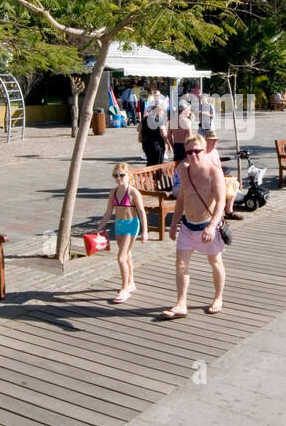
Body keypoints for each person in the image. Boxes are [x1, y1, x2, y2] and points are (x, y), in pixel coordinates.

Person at [161, 135, 226, 318]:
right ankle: (181, 303)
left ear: (204, 150)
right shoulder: (183, 169)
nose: (193, 155)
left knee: (215, 262)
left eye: (197, 151)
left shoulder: (214, 172)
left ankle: (218, 297)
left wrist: (212, 226)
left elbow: (221, 203)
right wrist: (174, 224)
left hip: (207, 225)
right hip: (188, 226)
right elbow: (181, 198)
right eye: (189, 152)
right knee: (181, 265)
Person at [96, 162, 148, 303]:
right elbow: (108, 212)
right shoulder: (113, 192)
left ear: (128, 176)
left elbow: (142, 212)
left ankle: (124, 288)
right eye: (116, 175)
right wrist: (100, 227)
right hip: (119, 224)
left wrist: (145, 232)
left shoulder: (133, 192)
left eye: (122, 175)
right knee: (127, 255)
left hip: (131, 224)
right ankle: (131, 282)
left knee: (121, 257)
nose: (119, 178)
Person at [203, 131, 243, 221]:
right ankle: (217, 216)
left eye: (216, 141)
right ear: (206, 141)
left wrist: (221, 177)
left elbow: (219, 167)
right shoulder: (203, 154)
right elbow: (204, 171)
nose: (215, 143)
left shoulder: (215, 152)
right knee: (221, 189)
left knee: (234, 183)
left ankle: (229, 211)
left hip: (217, 178)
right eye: (212, 141)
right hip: (207, 180)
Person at [140, 100, 167, 167]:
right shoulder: (159, 120)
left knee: (150, 162)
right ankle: (157, 177)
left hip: (146, 144)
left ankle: (149, 176)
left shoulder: (145, 119)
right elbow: (163, 134)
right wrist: (168, 144)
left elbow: (139, 129)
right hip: (157, 145)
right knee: (158, 165)